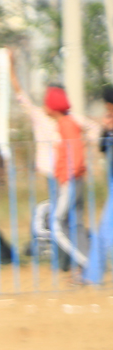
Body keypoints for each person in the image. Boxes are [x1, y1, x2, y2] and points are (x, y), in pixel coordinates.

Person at [43, 85, 89, 271]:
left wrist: (68, 177)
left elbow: (76, 153)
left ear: (53, 106)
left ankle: (88, 264)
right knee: (75, 225)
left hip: (70, 181)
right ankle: (88, 264)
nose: (44, 107)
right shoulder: (65, 123)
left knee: (57, 224)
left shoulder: (66, 124)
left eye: (46, 103)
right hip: (73, 180)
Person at [81, 85, 113, 284]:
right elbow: (103, 148)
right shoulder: (109, 121)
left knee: (105, 231)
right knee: (105, 230)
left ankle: (92, 276)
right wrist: (106, 130)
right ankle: (92, 275)